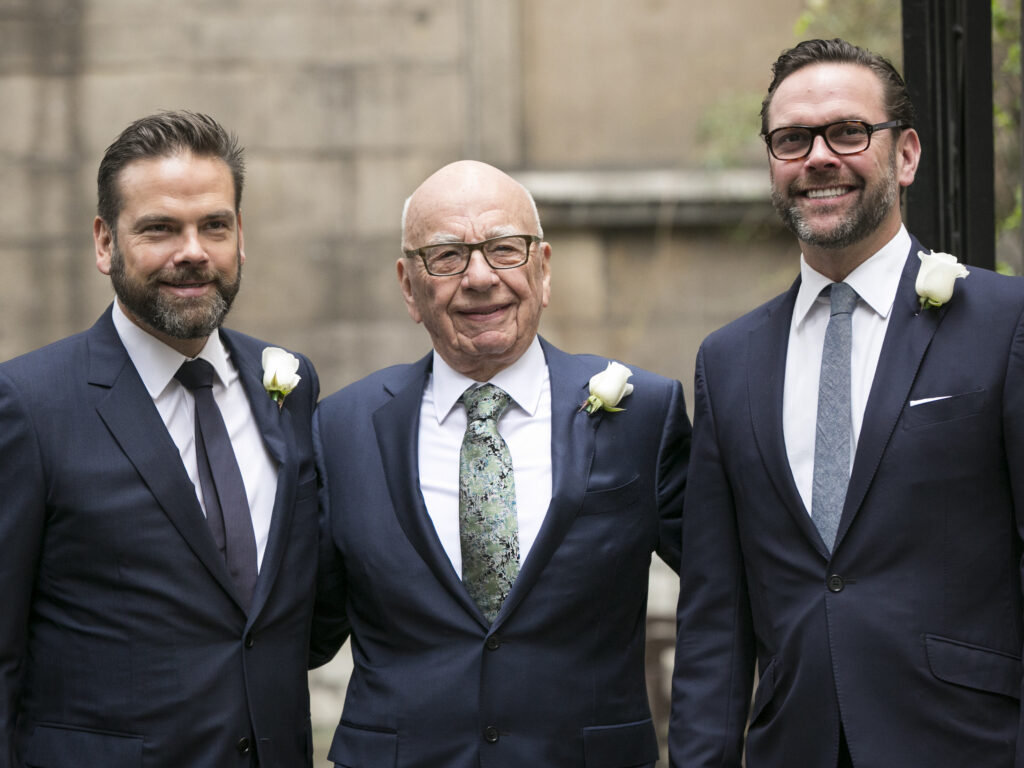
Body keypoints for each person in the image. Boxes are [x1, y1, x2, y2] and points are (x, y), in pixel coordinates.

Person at [669, 38, 1024, 767]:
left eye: (848, 132)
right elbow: (715, 620)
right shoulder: (727, 362)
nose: (818, 158)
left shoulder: (1003, 322)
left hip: (969, 746)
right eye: (792, 140)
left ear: (907, 154)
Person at [310, 159, 690, 767]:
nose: (480, 277)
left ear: (542, 270)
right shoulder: (341, 428)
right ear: (409, 287)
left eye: (505, 250)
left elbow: (725, 599)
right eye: (447, 256)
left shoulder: (642, 416)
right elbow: (301, 628)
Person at [0, 111, 320, 767]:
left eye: (215, 226)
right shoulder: (28, 406)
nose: (193, 251)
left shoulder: (288, 385)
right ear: (104, 242)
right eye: (160, 228)